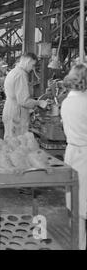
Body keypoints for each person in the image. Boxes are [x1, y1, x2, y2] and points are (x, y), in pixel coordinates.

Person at [61, 63, 87, 250]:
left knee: (76, 206)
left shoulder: (67, 101)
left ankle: (78, 244)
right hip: (85, 155)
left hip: (72, 154)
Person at [2, 52, 47, 139]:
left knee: (9, 144)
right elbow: (23, 101)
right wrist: (39, 102)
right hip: (17, 114)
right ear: (28, 62)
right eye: (32, 65)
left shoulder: (14, 71)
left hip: (10, 109)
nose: (32, 68)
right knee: (17, 145)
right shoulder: (21, 75)